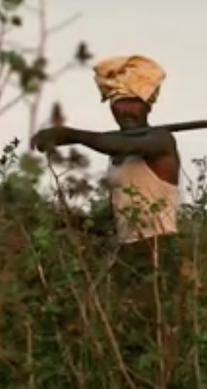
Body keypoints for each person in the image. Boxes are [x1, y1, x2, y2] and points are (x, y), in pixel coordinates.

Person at [31, 55, 185, 364]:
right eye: (117, 101)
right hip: (126, 251)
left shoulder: (160, 141)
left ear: (149, 104)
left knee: (152, 338)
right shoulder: (118, 155)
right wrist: (78, 225)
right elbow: (118, 208)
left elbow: (118, 145)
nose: (125, 109)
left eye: (133, 101)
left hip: (156, 249)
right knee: (125, 337)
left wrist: (68, 134)